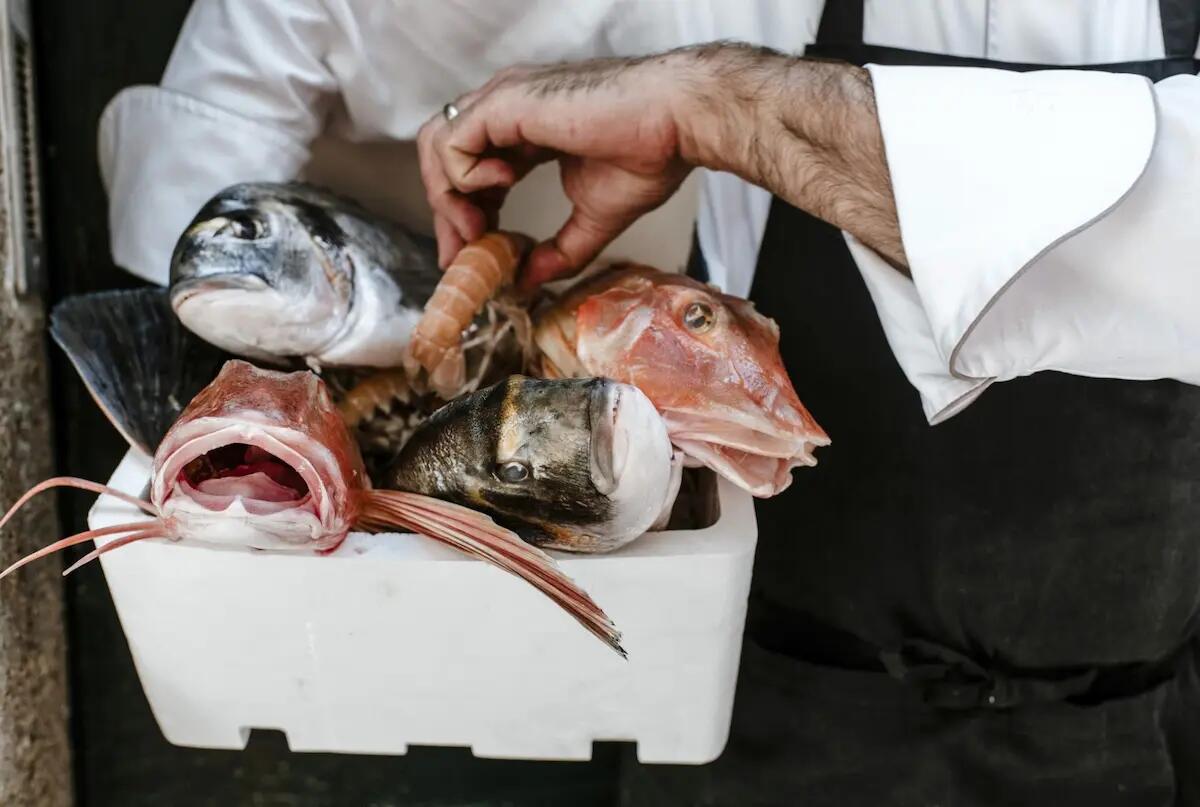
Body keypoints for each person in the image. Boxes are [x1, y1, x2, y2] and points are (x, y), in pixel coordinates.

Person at [101, 2, 1200, 803]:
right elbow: (246, 63)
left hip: (1133, 730)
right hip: (751, 705)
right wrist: (226, 363)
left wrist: (722, 106)